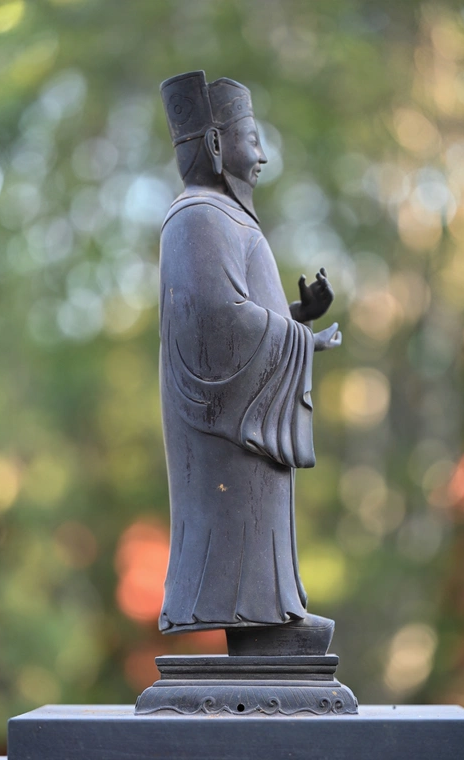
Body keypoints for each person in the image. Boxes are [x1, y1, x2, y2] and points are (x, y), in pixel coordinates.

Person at [158, 71, 341, 655]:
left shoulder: (223, 216)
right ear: (216, 143)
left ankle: (271, 615)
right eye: (252, 138)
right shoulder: (197, 217)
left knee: (262, 512)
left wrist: (296, 316)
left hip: (247, 408)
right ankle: (250, 619)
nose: (261, 156)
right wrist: (299, 340)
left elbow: (237, 311)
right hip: (225, 421)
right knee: (237, 515)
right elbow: (213, 319)